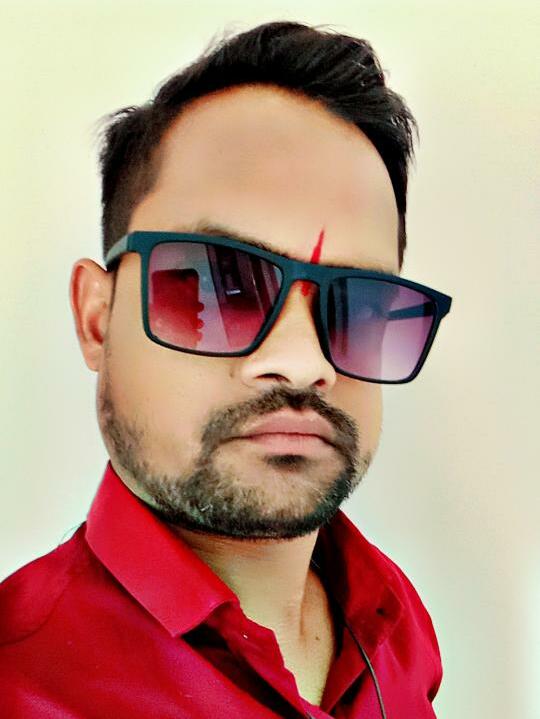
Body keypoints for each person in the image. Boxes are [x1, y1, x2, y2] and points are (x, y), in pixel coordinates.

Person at [0, 20, 452, 719]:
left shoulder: (395, 617)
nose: (304, 363)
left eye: (360, 303)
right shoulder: (19, 683)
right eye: (216, 285)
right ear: (97, 318)